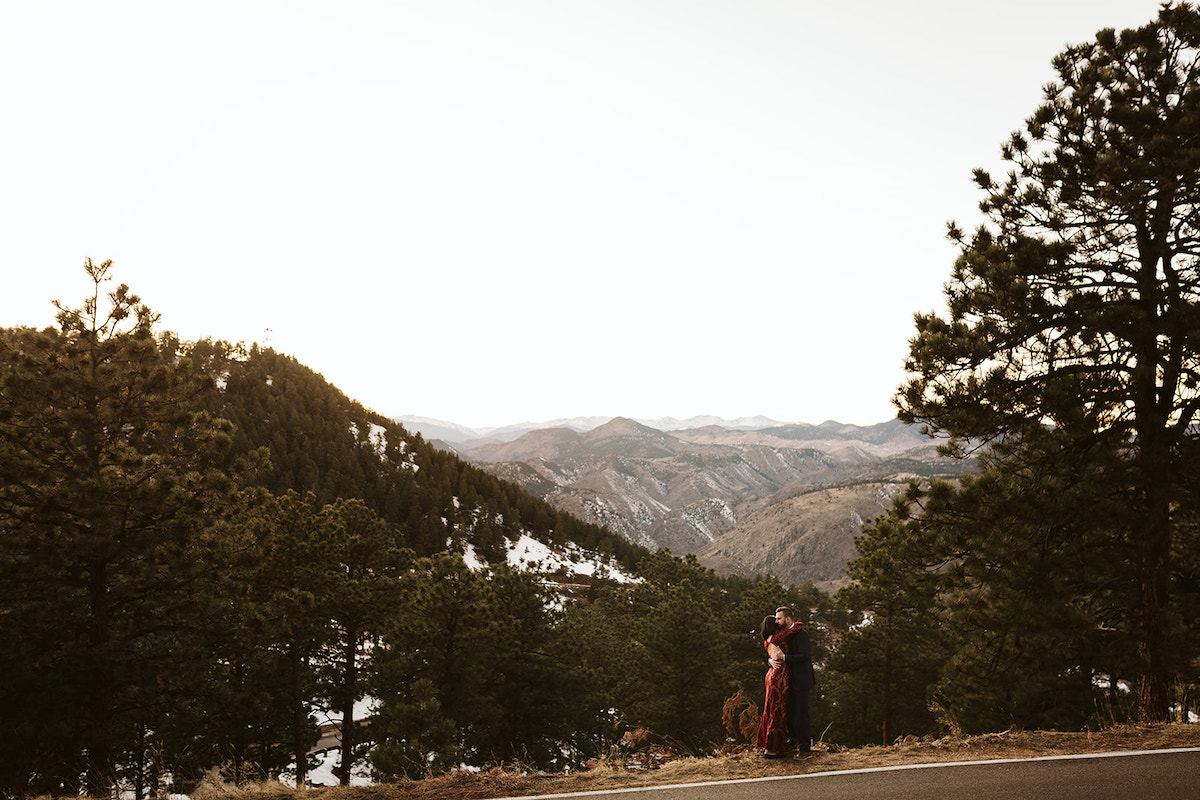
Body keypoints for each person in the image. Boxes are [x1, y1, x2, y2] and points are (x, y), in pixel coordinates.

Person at [770, 605, 816, 759]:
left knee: (802, 714)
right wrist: (770, 660)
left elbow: (804, 656)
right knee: (789, 713)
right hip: (787, 681)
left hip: (801, 680)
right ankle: (792, 741)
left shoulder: (801, 634)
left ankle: (805, 749)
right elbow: (773, 651)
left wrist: (785, 658)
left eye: (779, 618)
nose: (776, 621)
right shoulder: (784, 634)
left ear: (788, 619)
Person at [755, 615, 799, 757]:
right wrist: (787, 621)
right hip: (779, 676)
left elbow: (772, 656)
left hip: (770, 674)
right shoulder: (778, 637)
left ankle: (768, 745)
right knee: (777, 711)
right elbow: (799, 626)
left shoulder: (767, 640)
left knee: (770, 708)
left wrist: (769, 660)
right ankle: (772, 749)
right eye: (776, 621)